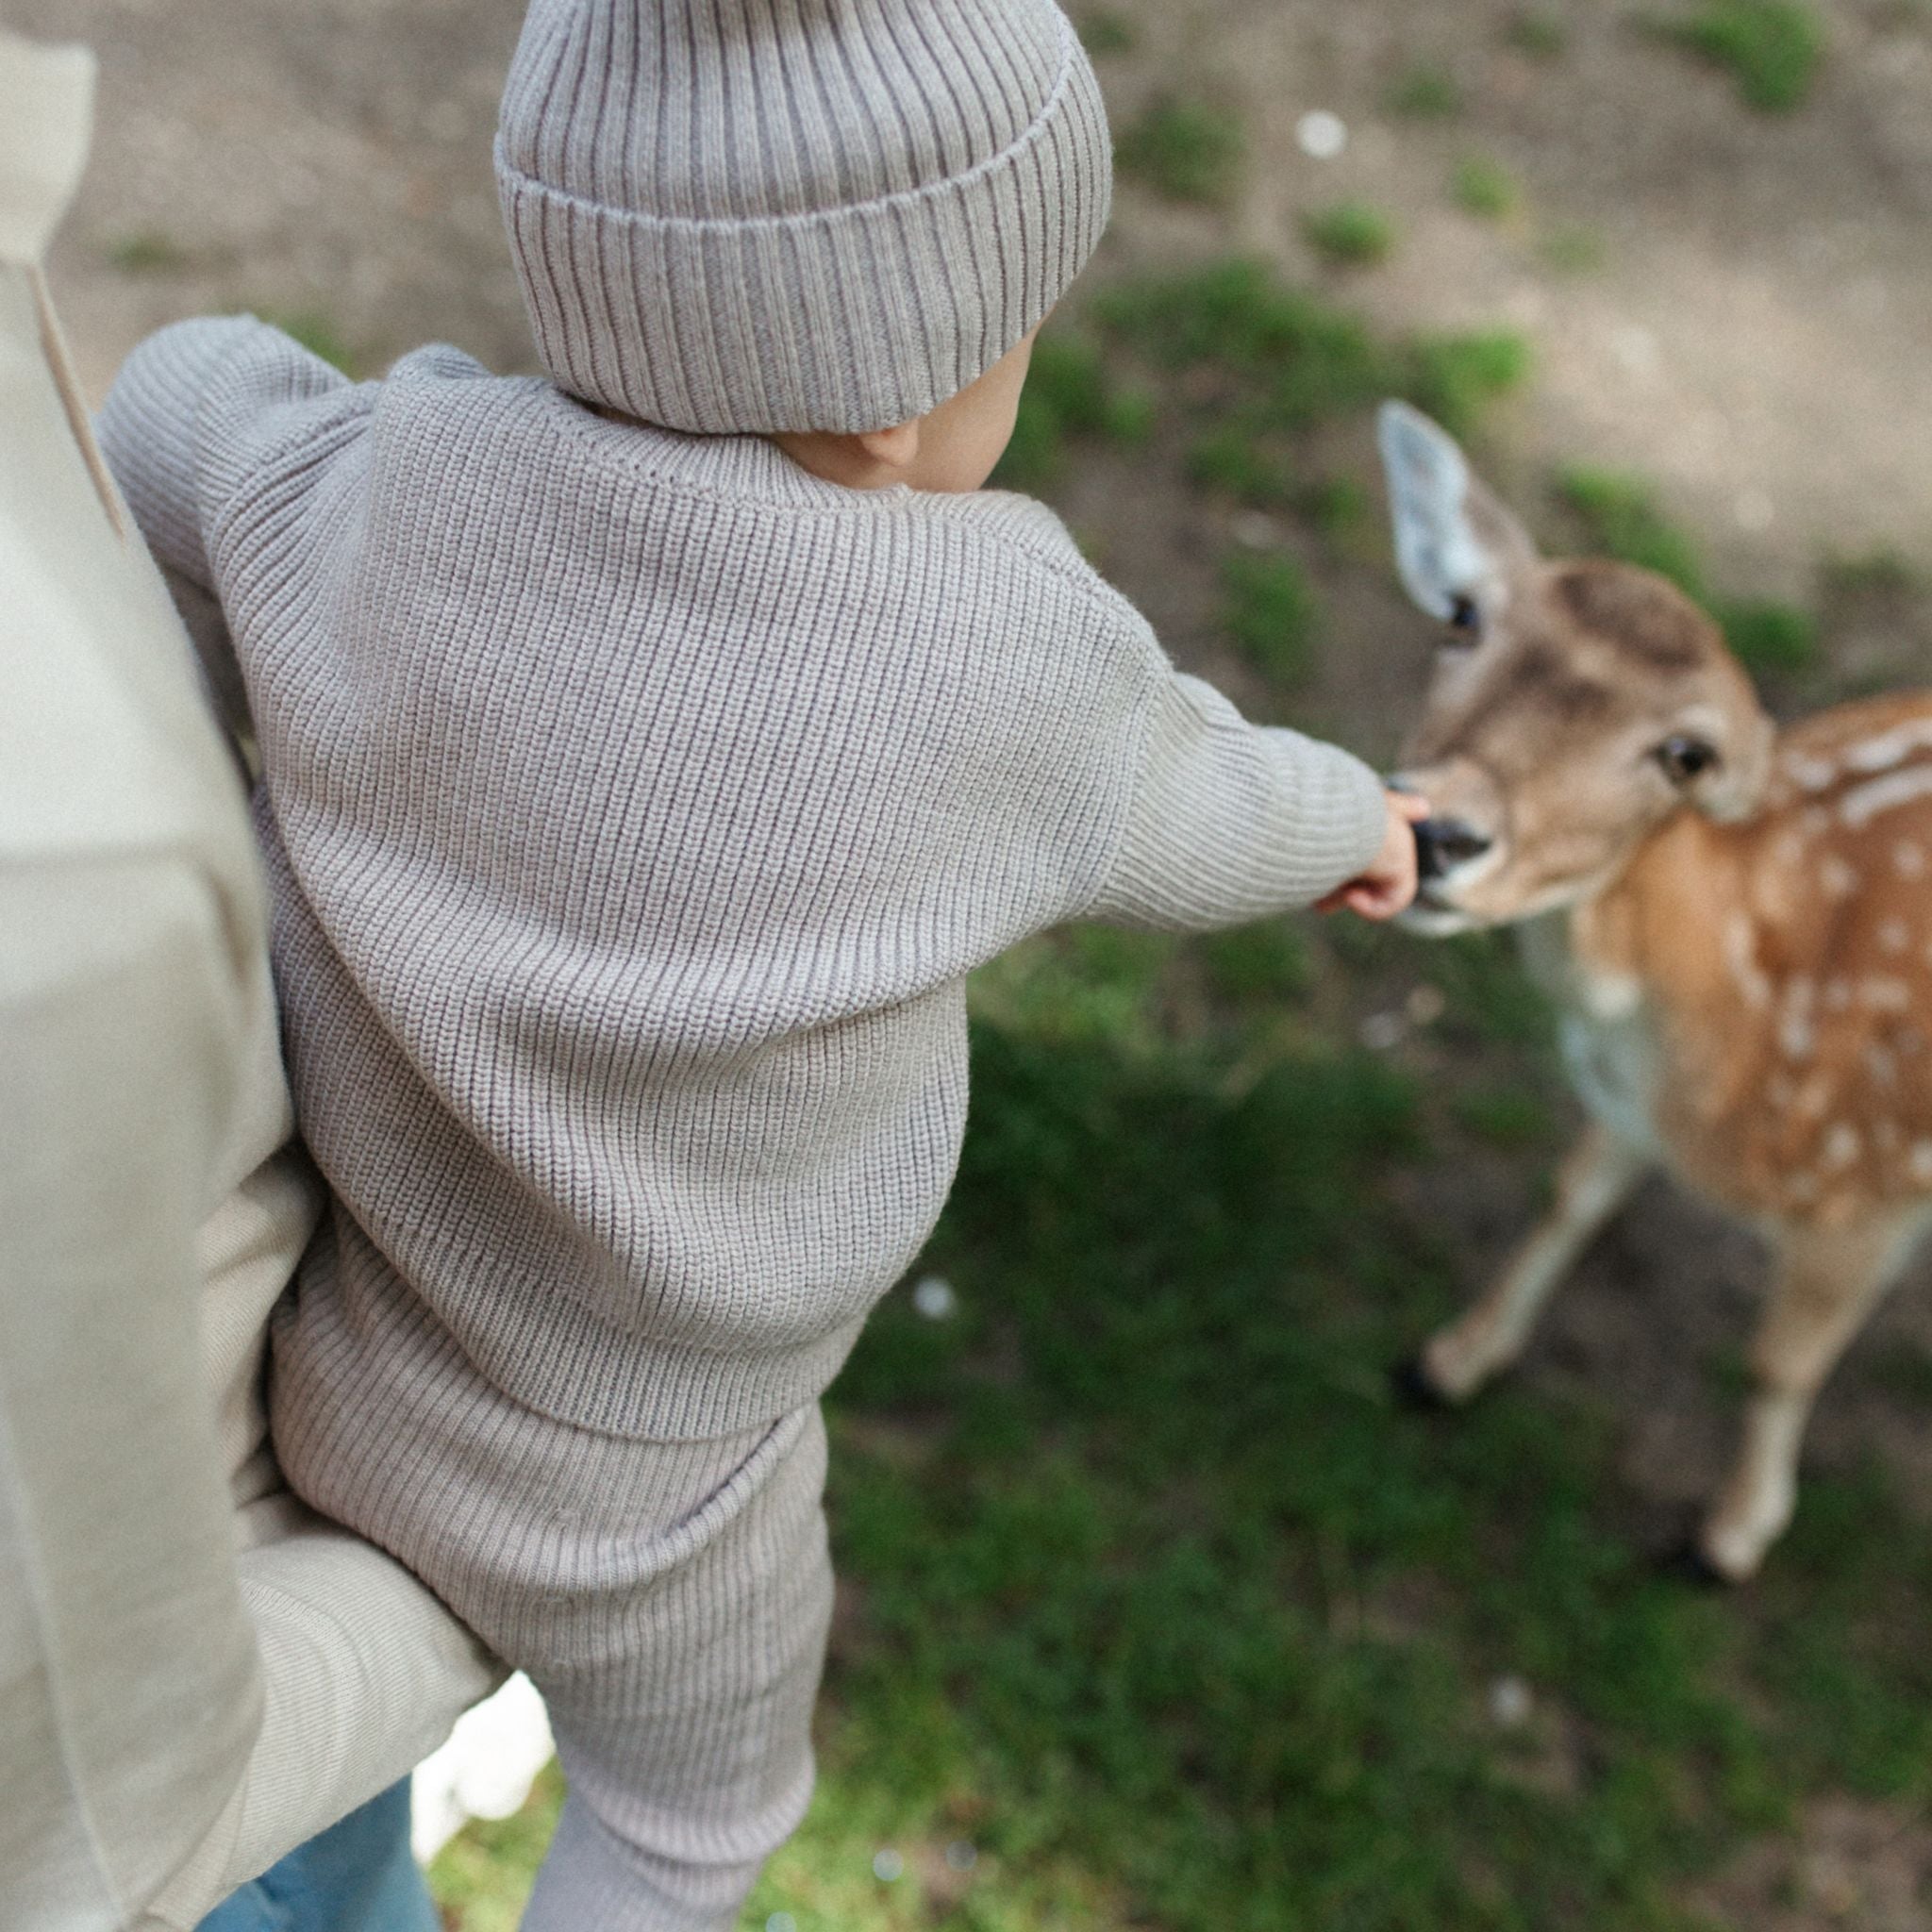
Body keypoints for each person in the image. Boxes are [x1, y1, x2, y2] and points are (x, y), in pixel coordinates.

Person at [95, 1, 1425, 1924]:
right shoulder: (1004, 669)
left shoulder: (391, 481)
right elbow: (1210, 797)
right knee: (680, 1823)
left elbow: (168, 406)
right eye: (1014, 328)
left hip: (342, 1345)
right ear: (893, 400)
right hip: (660, 1495)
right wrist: (1358, 825)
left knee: (283, 1800)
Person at [0, 27, 497, 1932]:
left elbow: (187, 408)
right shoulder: (63, 873)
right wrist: (504, 1559)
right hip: (231, 1713)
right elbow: (97, 1823)